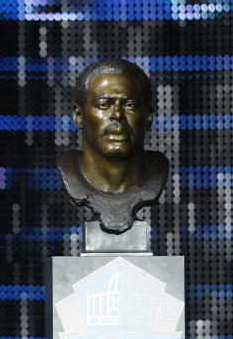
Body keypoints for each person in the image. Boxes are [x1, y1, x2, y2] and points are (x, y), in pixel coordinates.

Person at [56, 57, 169, 233]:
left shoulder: (156, 173)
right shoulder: (70, 172)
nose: (117, 115)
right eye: (104, 104)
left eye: (129, 105)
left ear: (148, 118)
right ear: (78, 116)